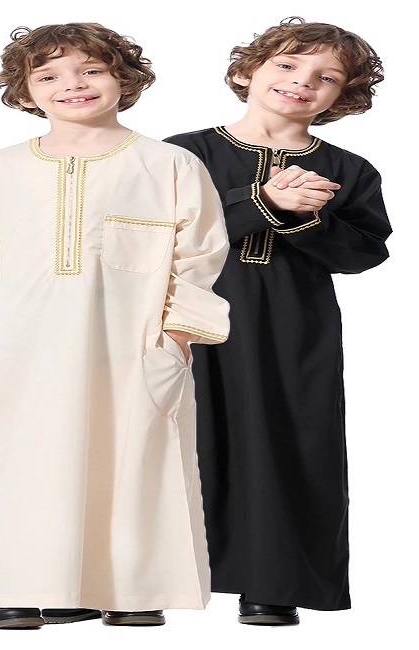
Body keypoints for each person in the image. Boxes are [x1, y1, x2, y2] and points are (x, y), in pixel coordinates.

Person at [0, 22, 230, 630]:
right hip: (21, 343)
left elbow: (199, 254)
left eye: (90, 70)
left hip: (133, 343)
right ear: (24, 90)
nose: (71, 85)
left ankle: (130, 589)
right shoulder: (1, 167)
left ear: (124, 77)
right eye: (48, 75)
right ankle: (10, 584)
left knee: (134, 458)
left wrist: (176, 335)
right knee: (17, 460)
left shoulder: (169, 163)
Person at [165, 17, 390, 626]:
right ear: (247, 71)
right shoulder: (183, 153)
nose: (301, 82)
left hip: (293, 322)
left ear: (343, 96)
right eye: (287, 65)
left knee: (292, 440)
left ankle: (273, 580)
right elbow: (155, 230)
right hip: (186, 312)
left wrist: (308, 215)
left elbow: (366, 252)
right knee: (177, 438)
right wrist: (262, 202)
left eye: (325, 77)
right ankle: (155, 575)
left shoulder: (348, 169)